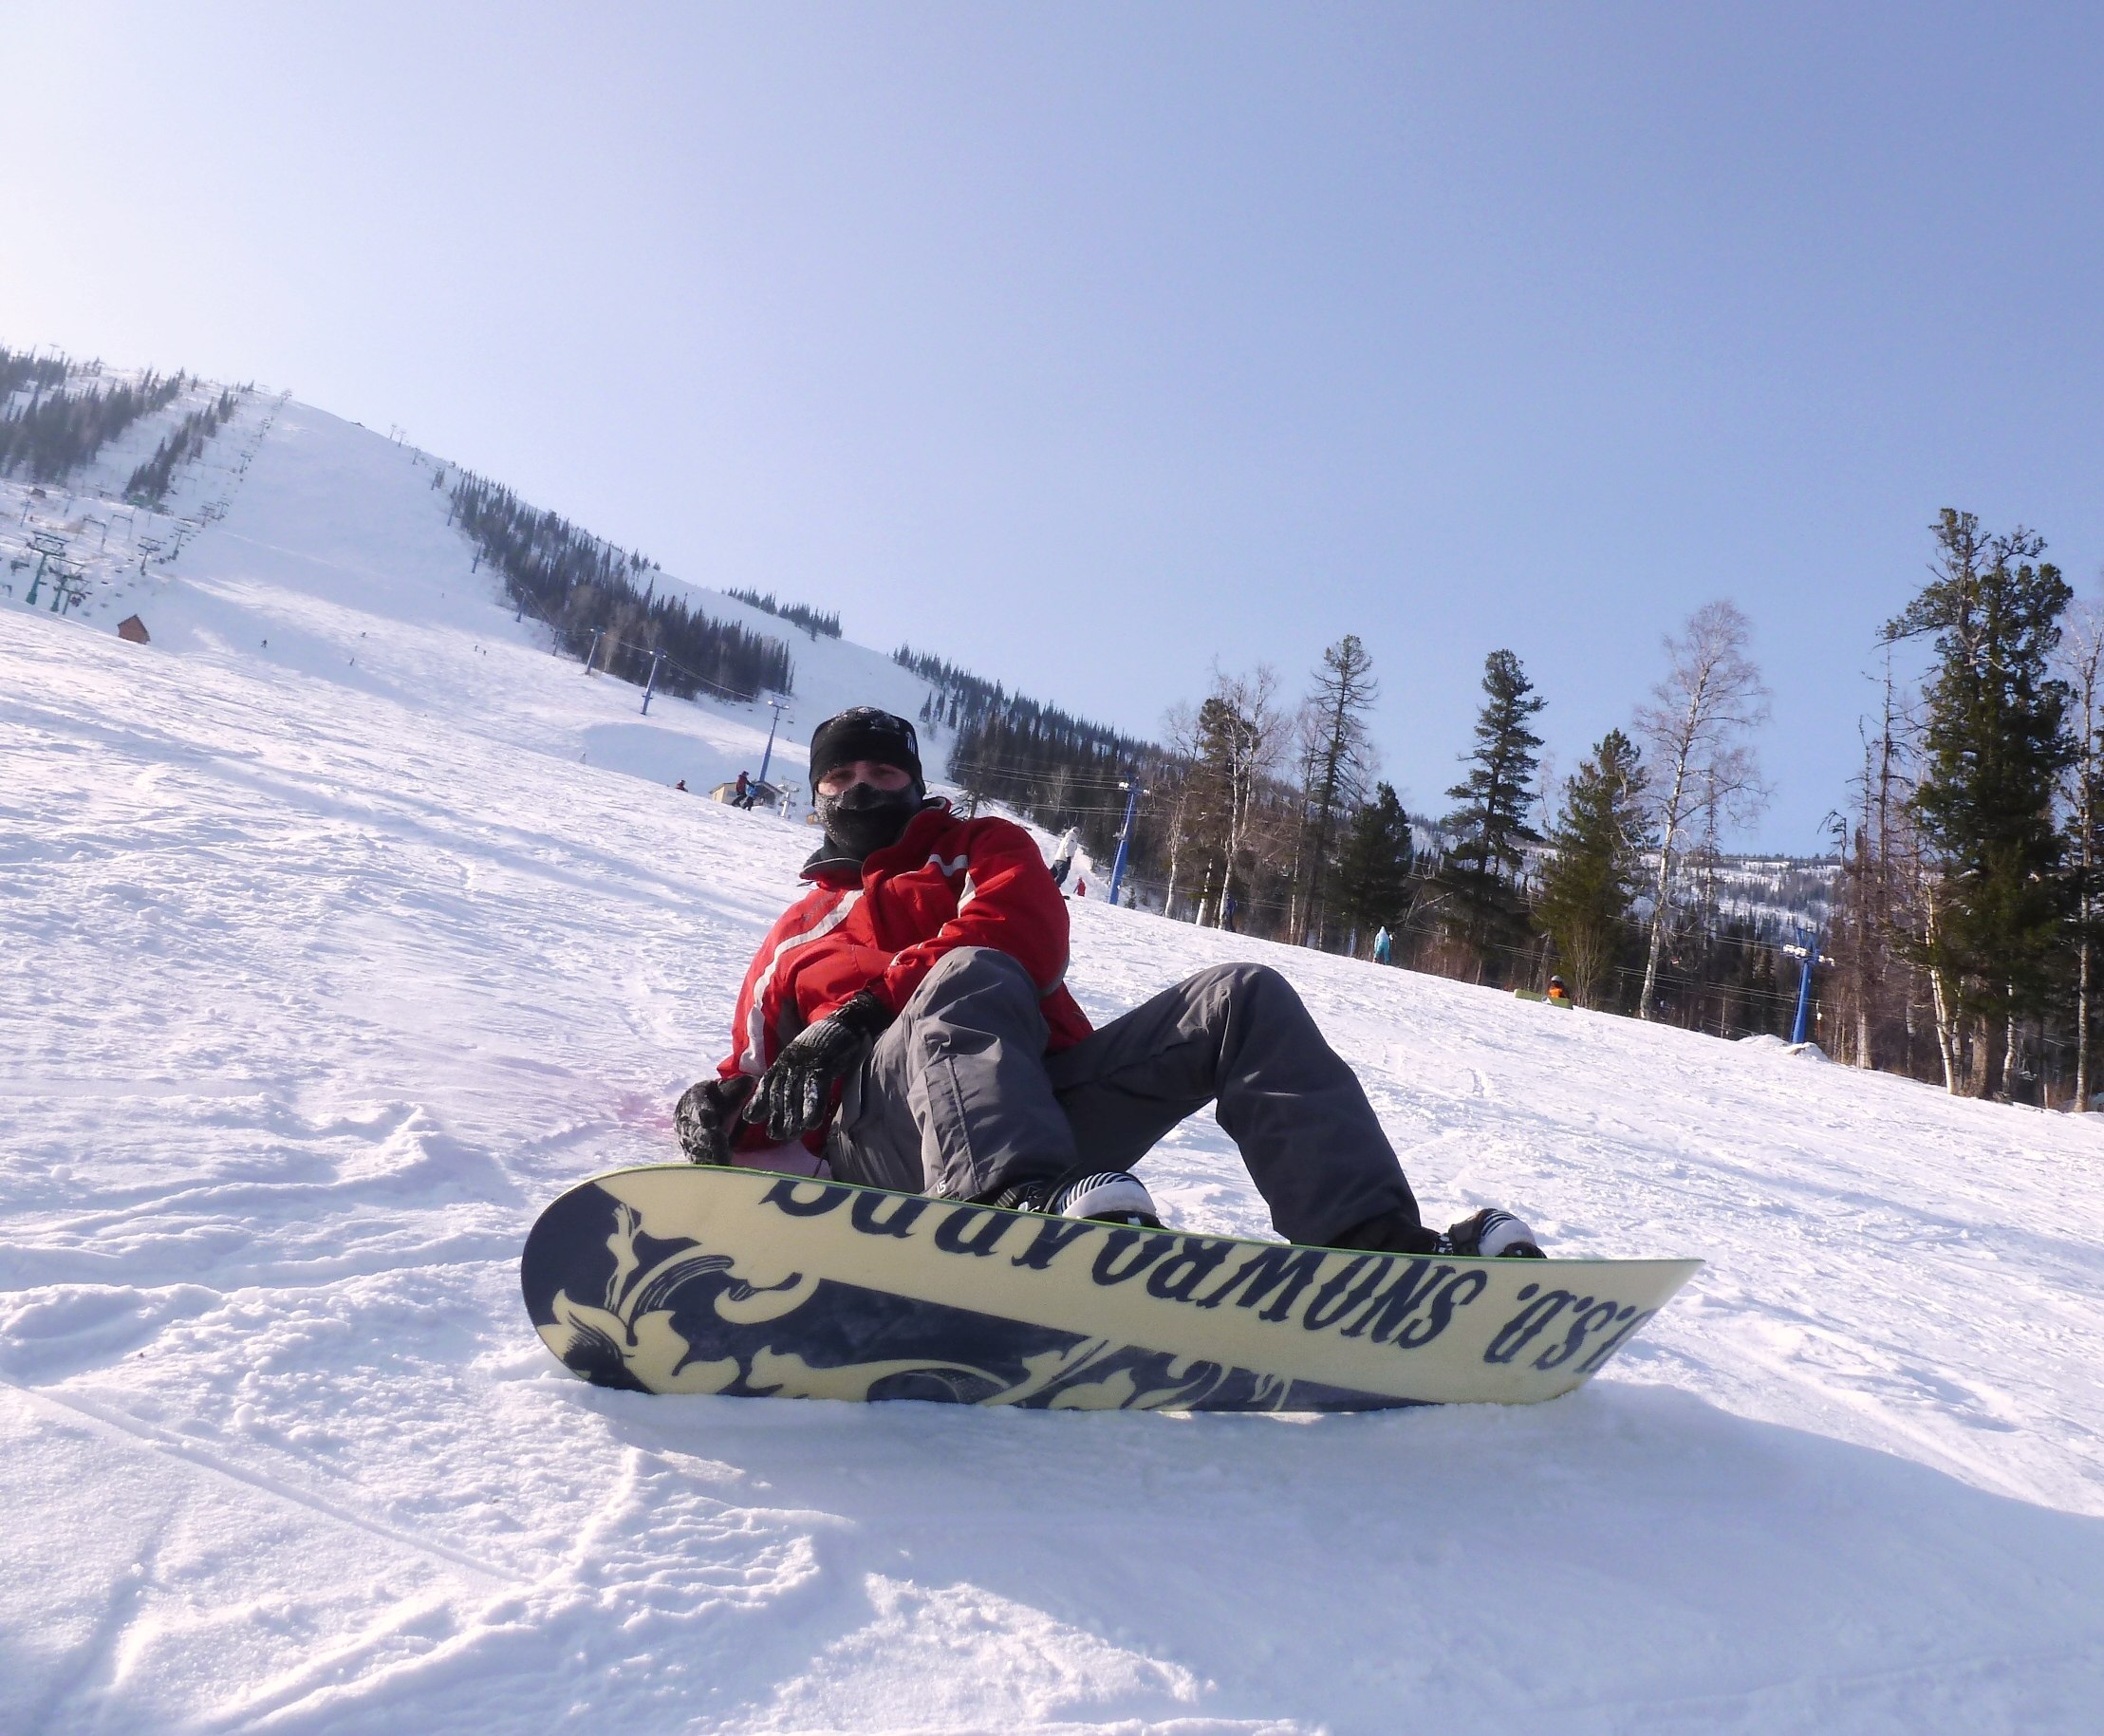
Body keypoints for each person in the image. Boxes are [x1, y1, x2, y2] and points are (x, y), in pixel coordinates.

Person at [675, 706, 1543, 1258]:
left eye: (882, 774)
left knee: (1241, 994)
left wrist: (867, 1005)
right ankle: (1003, 1211)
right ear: (818, 793)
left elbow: (1019, 933)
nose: (861, 789)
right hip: (889, 1147)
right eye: (842, 777)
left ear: (916, 784)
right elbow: (752, 1076)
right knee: (962, 974)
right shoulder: (796, 936)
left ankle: (1371, 1246)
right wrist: (715, 1107)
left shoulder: (979, 847)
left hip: (1038, 1114)